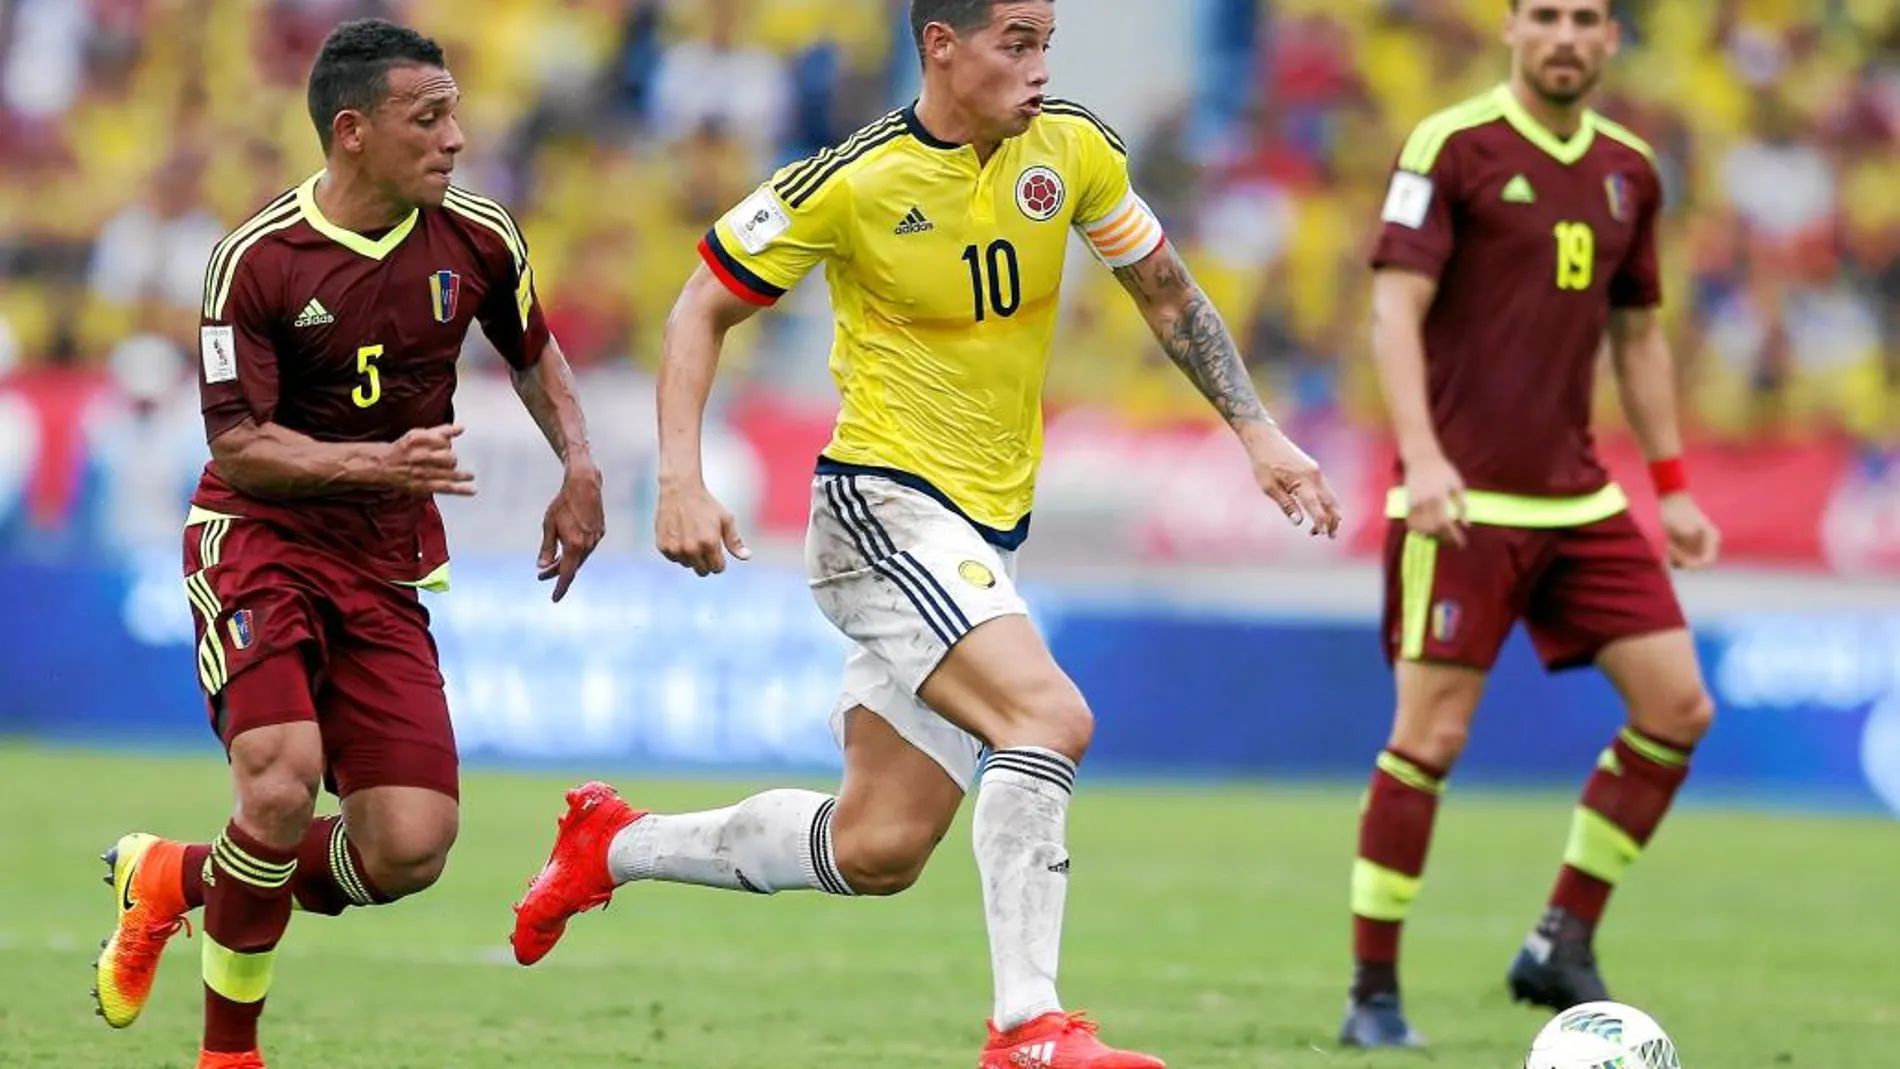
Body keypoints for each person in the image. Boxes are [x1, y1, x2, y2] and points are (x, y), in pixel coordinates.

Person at [508, 1, 1342, 1067]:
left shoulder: (1073, 148)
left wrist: (1256, 432)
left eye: (1047, 44)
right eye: (1017, 44)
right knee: (1045, 714)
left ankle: (612, 844)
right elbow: (697, 307)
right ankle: (1028, 1026)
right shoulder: (850, 180)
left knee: (877, 846)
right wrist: (682, 477)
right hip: (881, 508)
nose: (1040, 68)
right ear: (941, 45)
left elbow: (1164, 288)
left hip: (982, 534)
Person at [90, 20, 605, 1069]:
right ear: (353, 132)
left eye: (456, 110)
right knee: (279, 783)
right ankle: (229, 1052)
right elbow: (239, 445)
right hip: (259, 539)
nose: (457, 137)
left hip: (383, 564)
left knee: (409, 847)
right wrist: (376, 464)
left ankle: (170, 877)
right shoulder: (256, 260)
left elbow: (532, 348)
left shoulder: (479, 236)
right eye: (431, 117)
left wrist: (580, 465)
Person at [1338, 0, 1722, 1049]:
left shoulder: (1630, 170)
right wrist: (1419, 458)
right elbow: (1392, 310)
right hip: (1460, 500)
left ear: (1608, 40)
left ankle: (1561, 937)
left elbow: (1638, 334)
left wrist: (1673, 486)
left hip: (1580, 497)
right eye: (1543, 14)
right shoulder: (1451, 146)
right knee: (1430, 737)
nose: (1562, 34)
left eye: (1584, 18)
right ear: (1510, 30)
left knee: (1677, 707)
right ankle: (1372, 990)